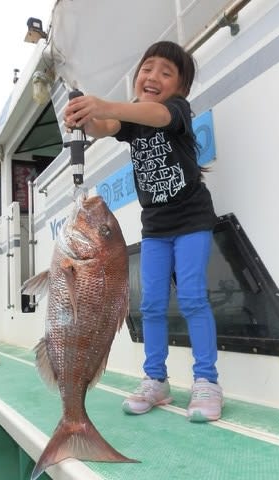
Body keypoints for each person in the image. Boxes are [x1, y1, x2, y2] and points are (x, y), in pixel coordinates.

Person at [64, 41, 224, 422]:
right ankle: (156, 380)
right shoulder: (133, 118)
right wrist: (84, 117)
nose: (153, 76)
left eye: (166, 73)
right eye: (147, 68)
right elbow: (104, 126)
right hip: (155, 227)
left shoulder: (175, 111)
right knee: (150, 304)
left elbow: (152, 114)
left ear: (181, 89)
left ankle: (207, 382)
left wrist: (104, 103)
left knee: (193, 298)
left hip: (192, 221)